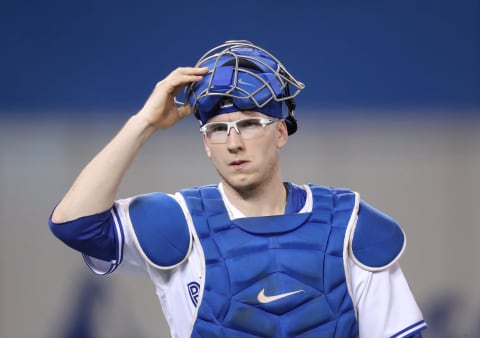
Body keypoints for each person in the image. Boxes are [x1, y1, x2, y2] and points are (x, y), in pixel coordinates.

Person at [49, 40, 428, 338]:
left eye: (249, 124)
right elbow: (74, 224)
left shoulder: (347, 227)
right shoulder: (179, 223)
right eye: (218, 129)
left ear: (280, 132)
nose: (233, 144)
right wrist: (144, 122)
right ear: (205, 143)